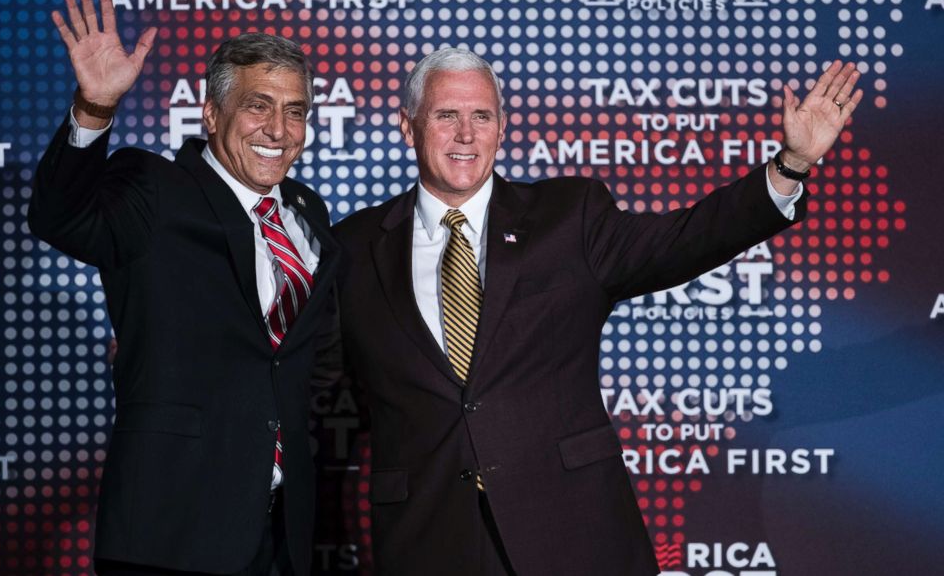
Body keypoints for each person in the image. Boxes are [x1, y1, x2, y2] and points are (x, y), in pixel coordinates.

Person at [333, 47, 861, 575]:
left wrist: (789, 166)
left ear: (502, 127)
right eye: (447, 116)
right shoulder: (353, 247)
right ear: (409, 127)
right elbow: (311, 380)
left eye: (482, 116)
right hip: (428, 539)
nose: (466, 134)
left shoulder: (569, 218)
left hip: (569, 528)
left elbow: (684, 239)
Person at [28, 0, 340, 576]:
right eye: (258, 105)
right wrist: (95, 109)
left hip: (281, 531)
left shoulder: (308, 212)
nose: (278, 128)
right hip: (170, 528)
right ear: (212, 112)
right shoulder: (154, 189)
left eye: (294, 110)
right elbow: (59, 216)